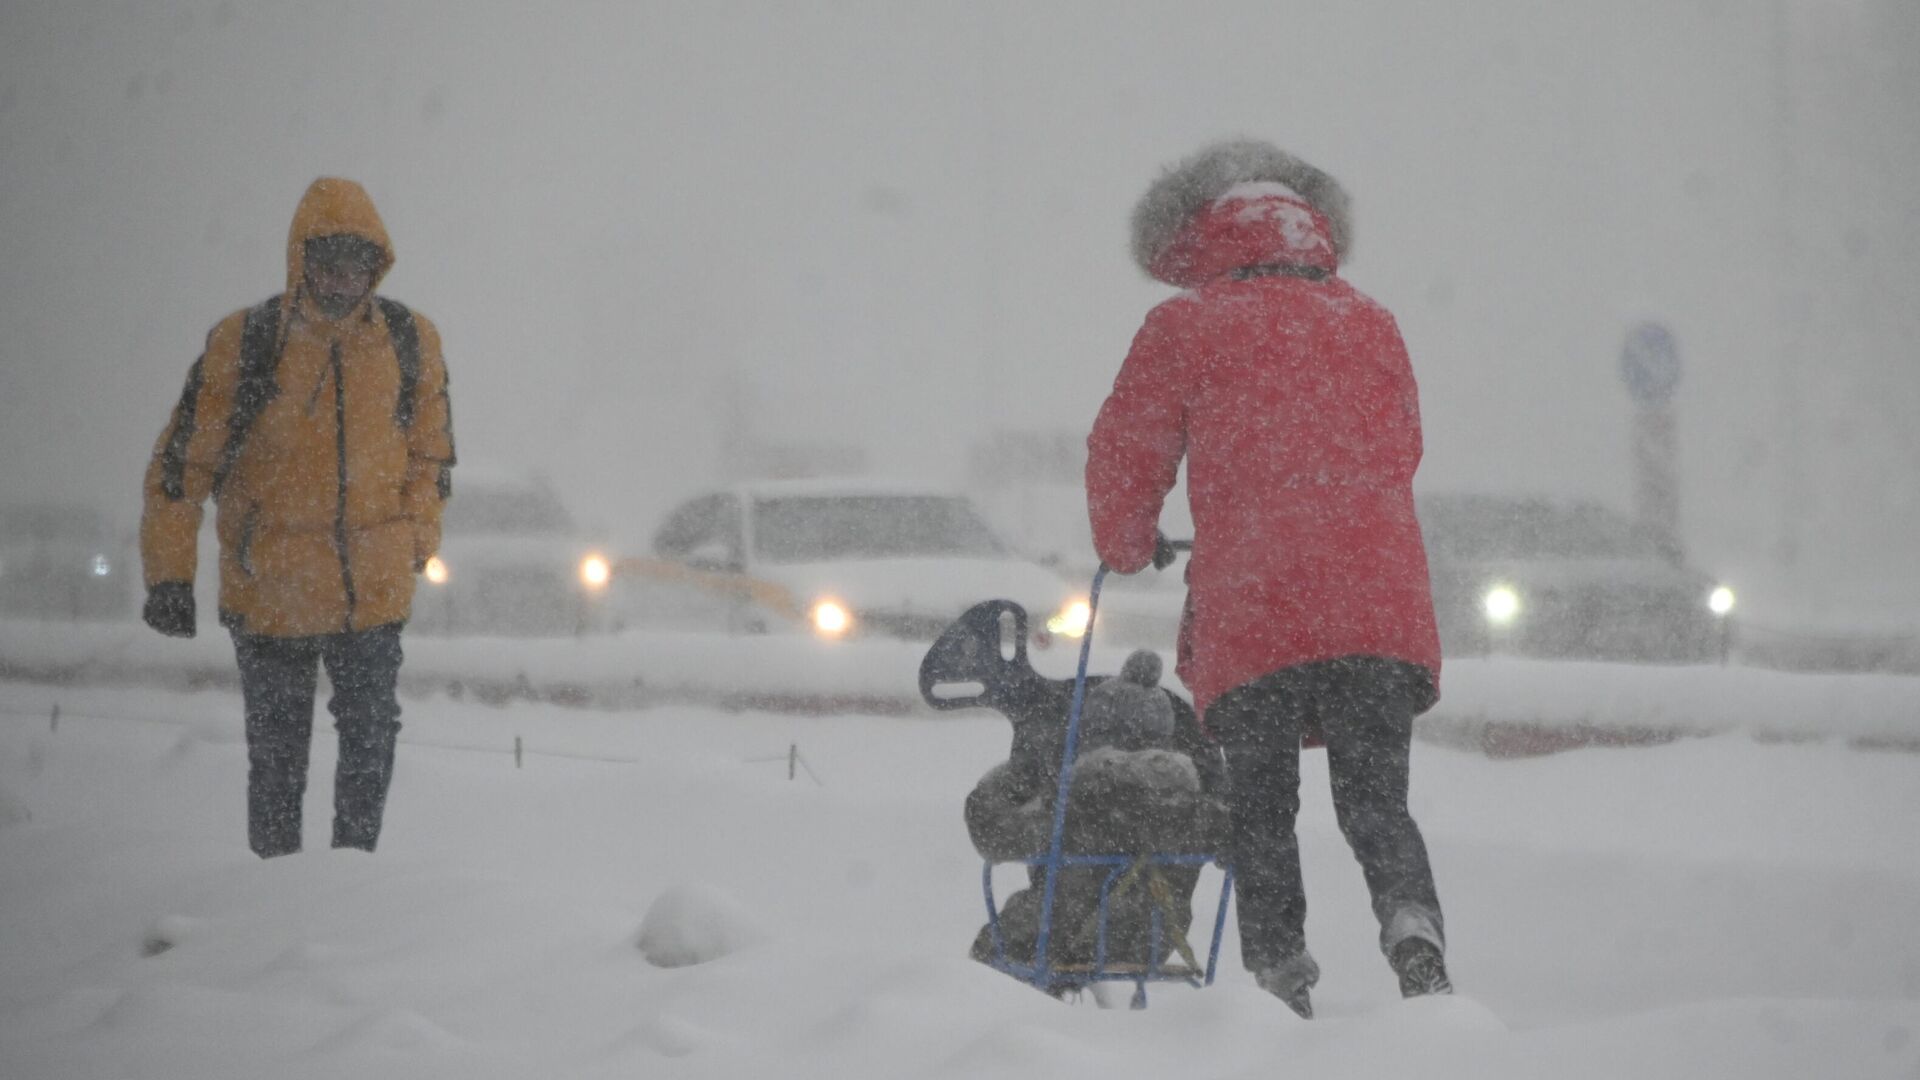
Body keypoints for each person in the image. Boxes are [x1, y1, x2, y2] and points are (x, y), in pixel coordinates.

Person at [1086, 140, 1450, 1018]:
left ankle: (1279, 974)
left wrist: (1130, 543)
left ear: (1198, 237)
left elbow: (1125, 451)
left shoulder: (1186, 325)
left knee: (1261, 809)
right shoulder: (1372, 320)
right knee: (1376, 804)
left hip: (1258, 607)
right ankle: (1413, 924)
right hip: (1378, 604)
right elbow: (1403, 446)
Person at [140, 178, 455, 859]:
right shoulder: (245, 343)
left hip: (371, 594)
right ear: (301, 258)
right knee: (278, 762)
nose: (344, 277)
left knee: (371, 744)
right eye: (330, 259)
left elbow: (432, 458)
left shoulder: (410, 341)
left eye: (359, 261)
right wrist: (170, 576)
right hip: (271, 595)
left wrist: (414, 541)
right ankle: (275, 896)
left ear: (379, 264)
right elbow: (179, 469)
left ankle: (352, 884)